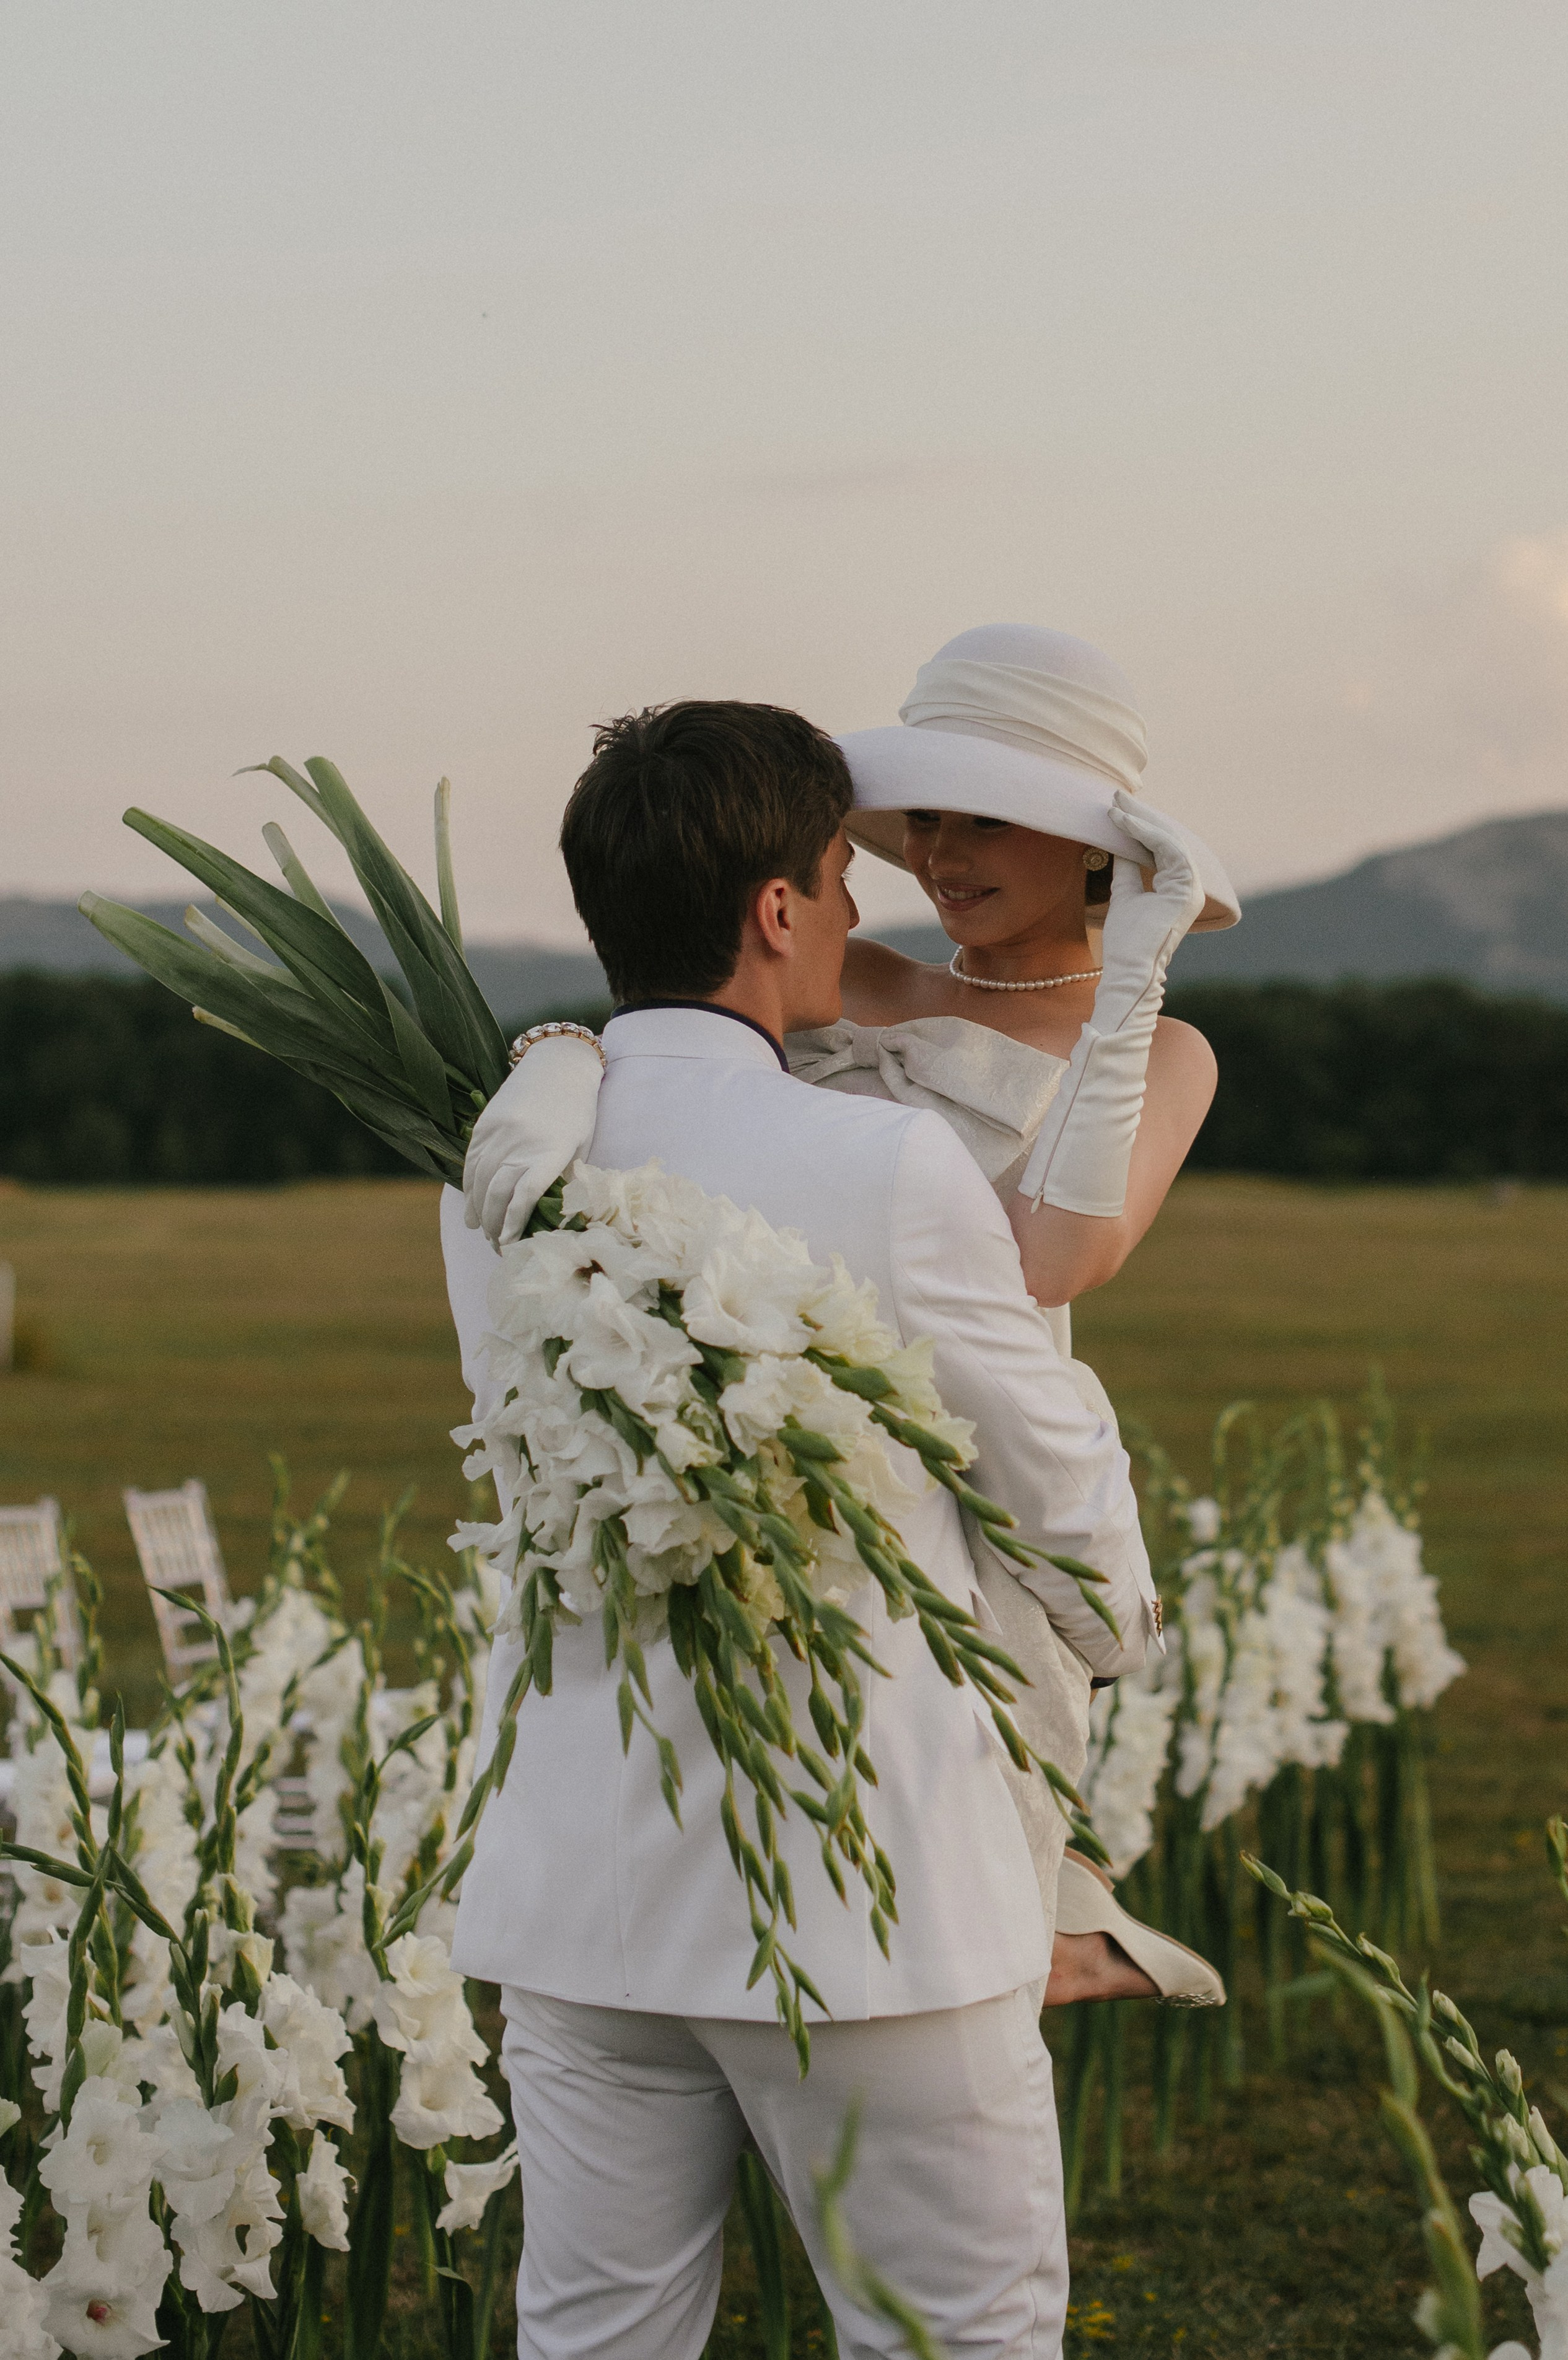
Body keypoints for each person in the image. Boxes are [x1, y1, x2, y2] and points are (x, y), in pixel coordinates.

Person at [440, 699, 1156, 2358]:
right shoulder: (891, 1165)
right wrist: (1113, 1640)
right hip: (871, 1897)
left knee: (597, 2336)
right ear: (774, 910)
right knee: (954, 2335)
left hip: (585, 1895)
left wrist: (561, 1049)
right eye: (840, 874)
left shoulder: (490, 1171)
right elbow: (1053, 1482)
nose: (858, 909)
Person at [461, 625, 1238, 2011]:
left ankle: (1043, 1939)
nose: (943, 853)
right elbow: (689, 1044)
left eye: (990, 820)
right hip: (767, 1412)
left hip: (967, 1440)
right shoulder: (860, 973)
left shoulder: (1165, 1052)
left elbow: (1052, 1262)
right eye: (924, 816)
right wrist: (560, 1056)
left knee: (928, 1889)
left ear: (1091, 843)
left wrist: (1135, 985)